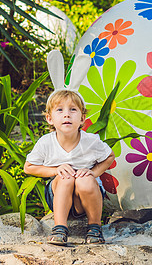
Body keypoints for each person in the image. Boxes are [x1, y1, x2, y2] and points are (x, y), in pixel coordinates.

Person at [24, 89, 115, 245]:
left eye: (73, 110)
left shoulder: (91, 141)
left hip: (86, 197)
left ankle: (94, 227)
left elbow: (110, 157)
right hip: (59, 195)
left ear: (82, 118)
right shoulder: (46, 142)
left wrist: (93, 173)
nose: (67, 115)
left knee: (84, 180)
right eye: (60, 110)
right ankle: (60, 228)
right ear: (49, 118)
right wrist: (55, 170)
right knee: (65, 178)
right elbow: (29, 167)